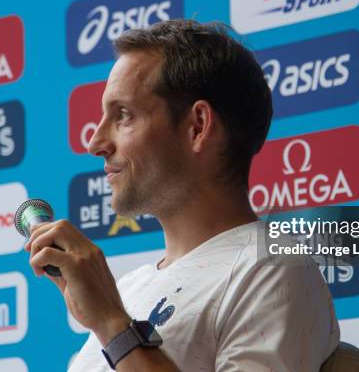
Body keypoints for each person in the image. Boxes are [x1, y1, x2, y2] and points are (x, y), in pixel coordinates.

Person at [25, 19, 339, 371]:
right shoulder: (128, 288)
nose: (96, 143)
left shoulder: (273, 266)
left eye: (123, 115)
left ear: (198, 127)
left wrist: (112, 323)